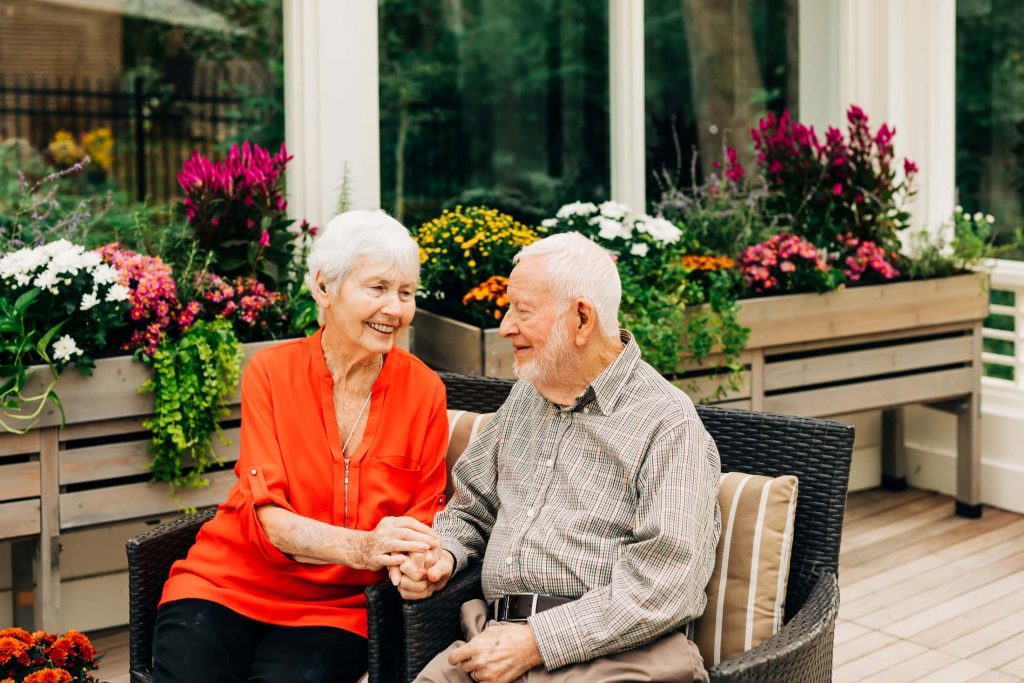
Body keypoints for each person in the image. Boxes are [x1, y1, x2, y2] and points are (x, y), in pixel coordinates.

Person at [395, 232, 722, 683]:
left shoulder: (667, 423)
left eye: (522, 311)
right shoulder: (525, 398)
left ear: (582, 318)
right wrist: (443, 556)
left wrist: (535, 642)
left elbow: (665, 585)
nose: (506, 326)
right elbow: (472, 508)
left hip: (609, 658)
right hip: (490, 643)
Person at [152, 210, 448, 683]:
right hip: (226, 582)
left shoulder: (424, 391)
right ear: (323, 288)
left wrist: (420, 563)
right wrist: (368, 547)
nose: (395, 309)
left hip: (339, 609)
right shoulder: (271, 374)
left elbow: (423, 519)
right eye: (377, 288)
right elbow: (270, 520)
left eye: (406, 292)